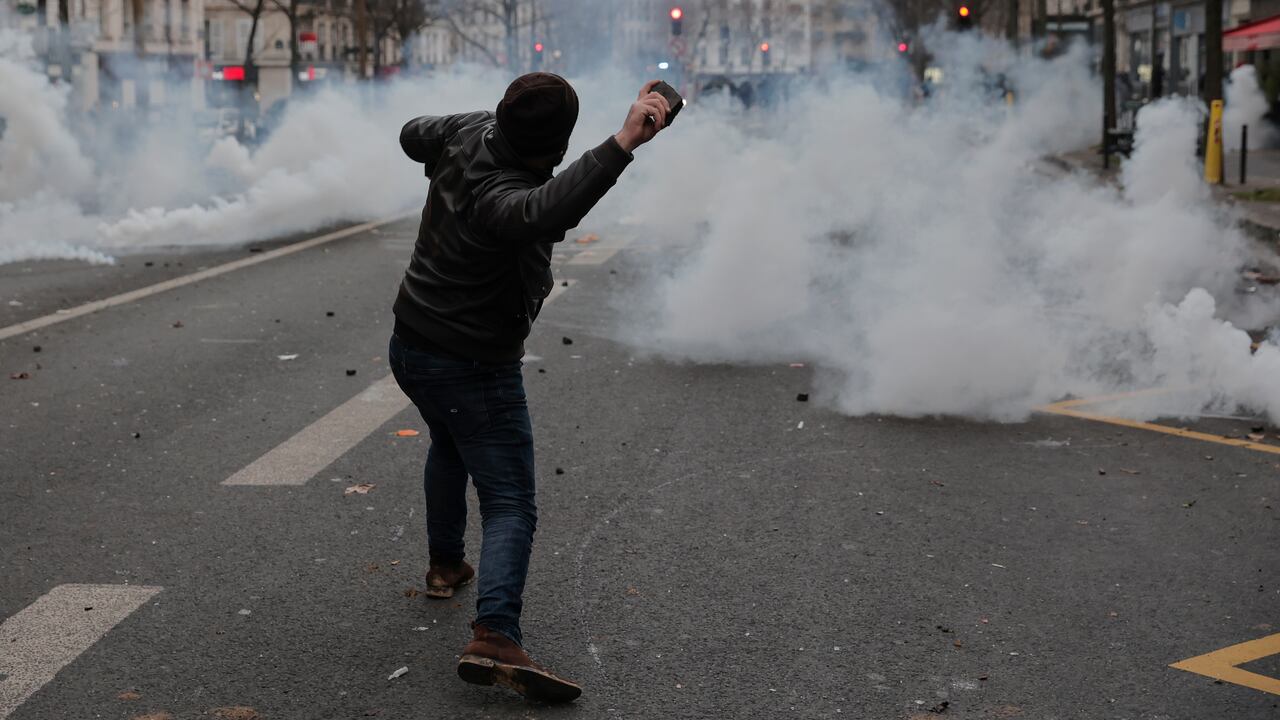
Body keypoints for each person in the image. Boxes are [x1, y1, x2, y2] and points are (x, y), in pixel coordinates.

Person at [388, 73, 672, 703]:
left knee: (449, 442)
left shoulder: (470, 130)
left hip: (412, 342)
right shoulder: (506, 198)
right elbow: (547, 209)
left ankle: (444, 565)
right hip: (469, 362)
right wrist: (625, 140)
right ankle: (494, 634)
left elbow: (413, 135)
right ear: (556, 143)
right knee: (512, 499)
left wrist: (465, 131)